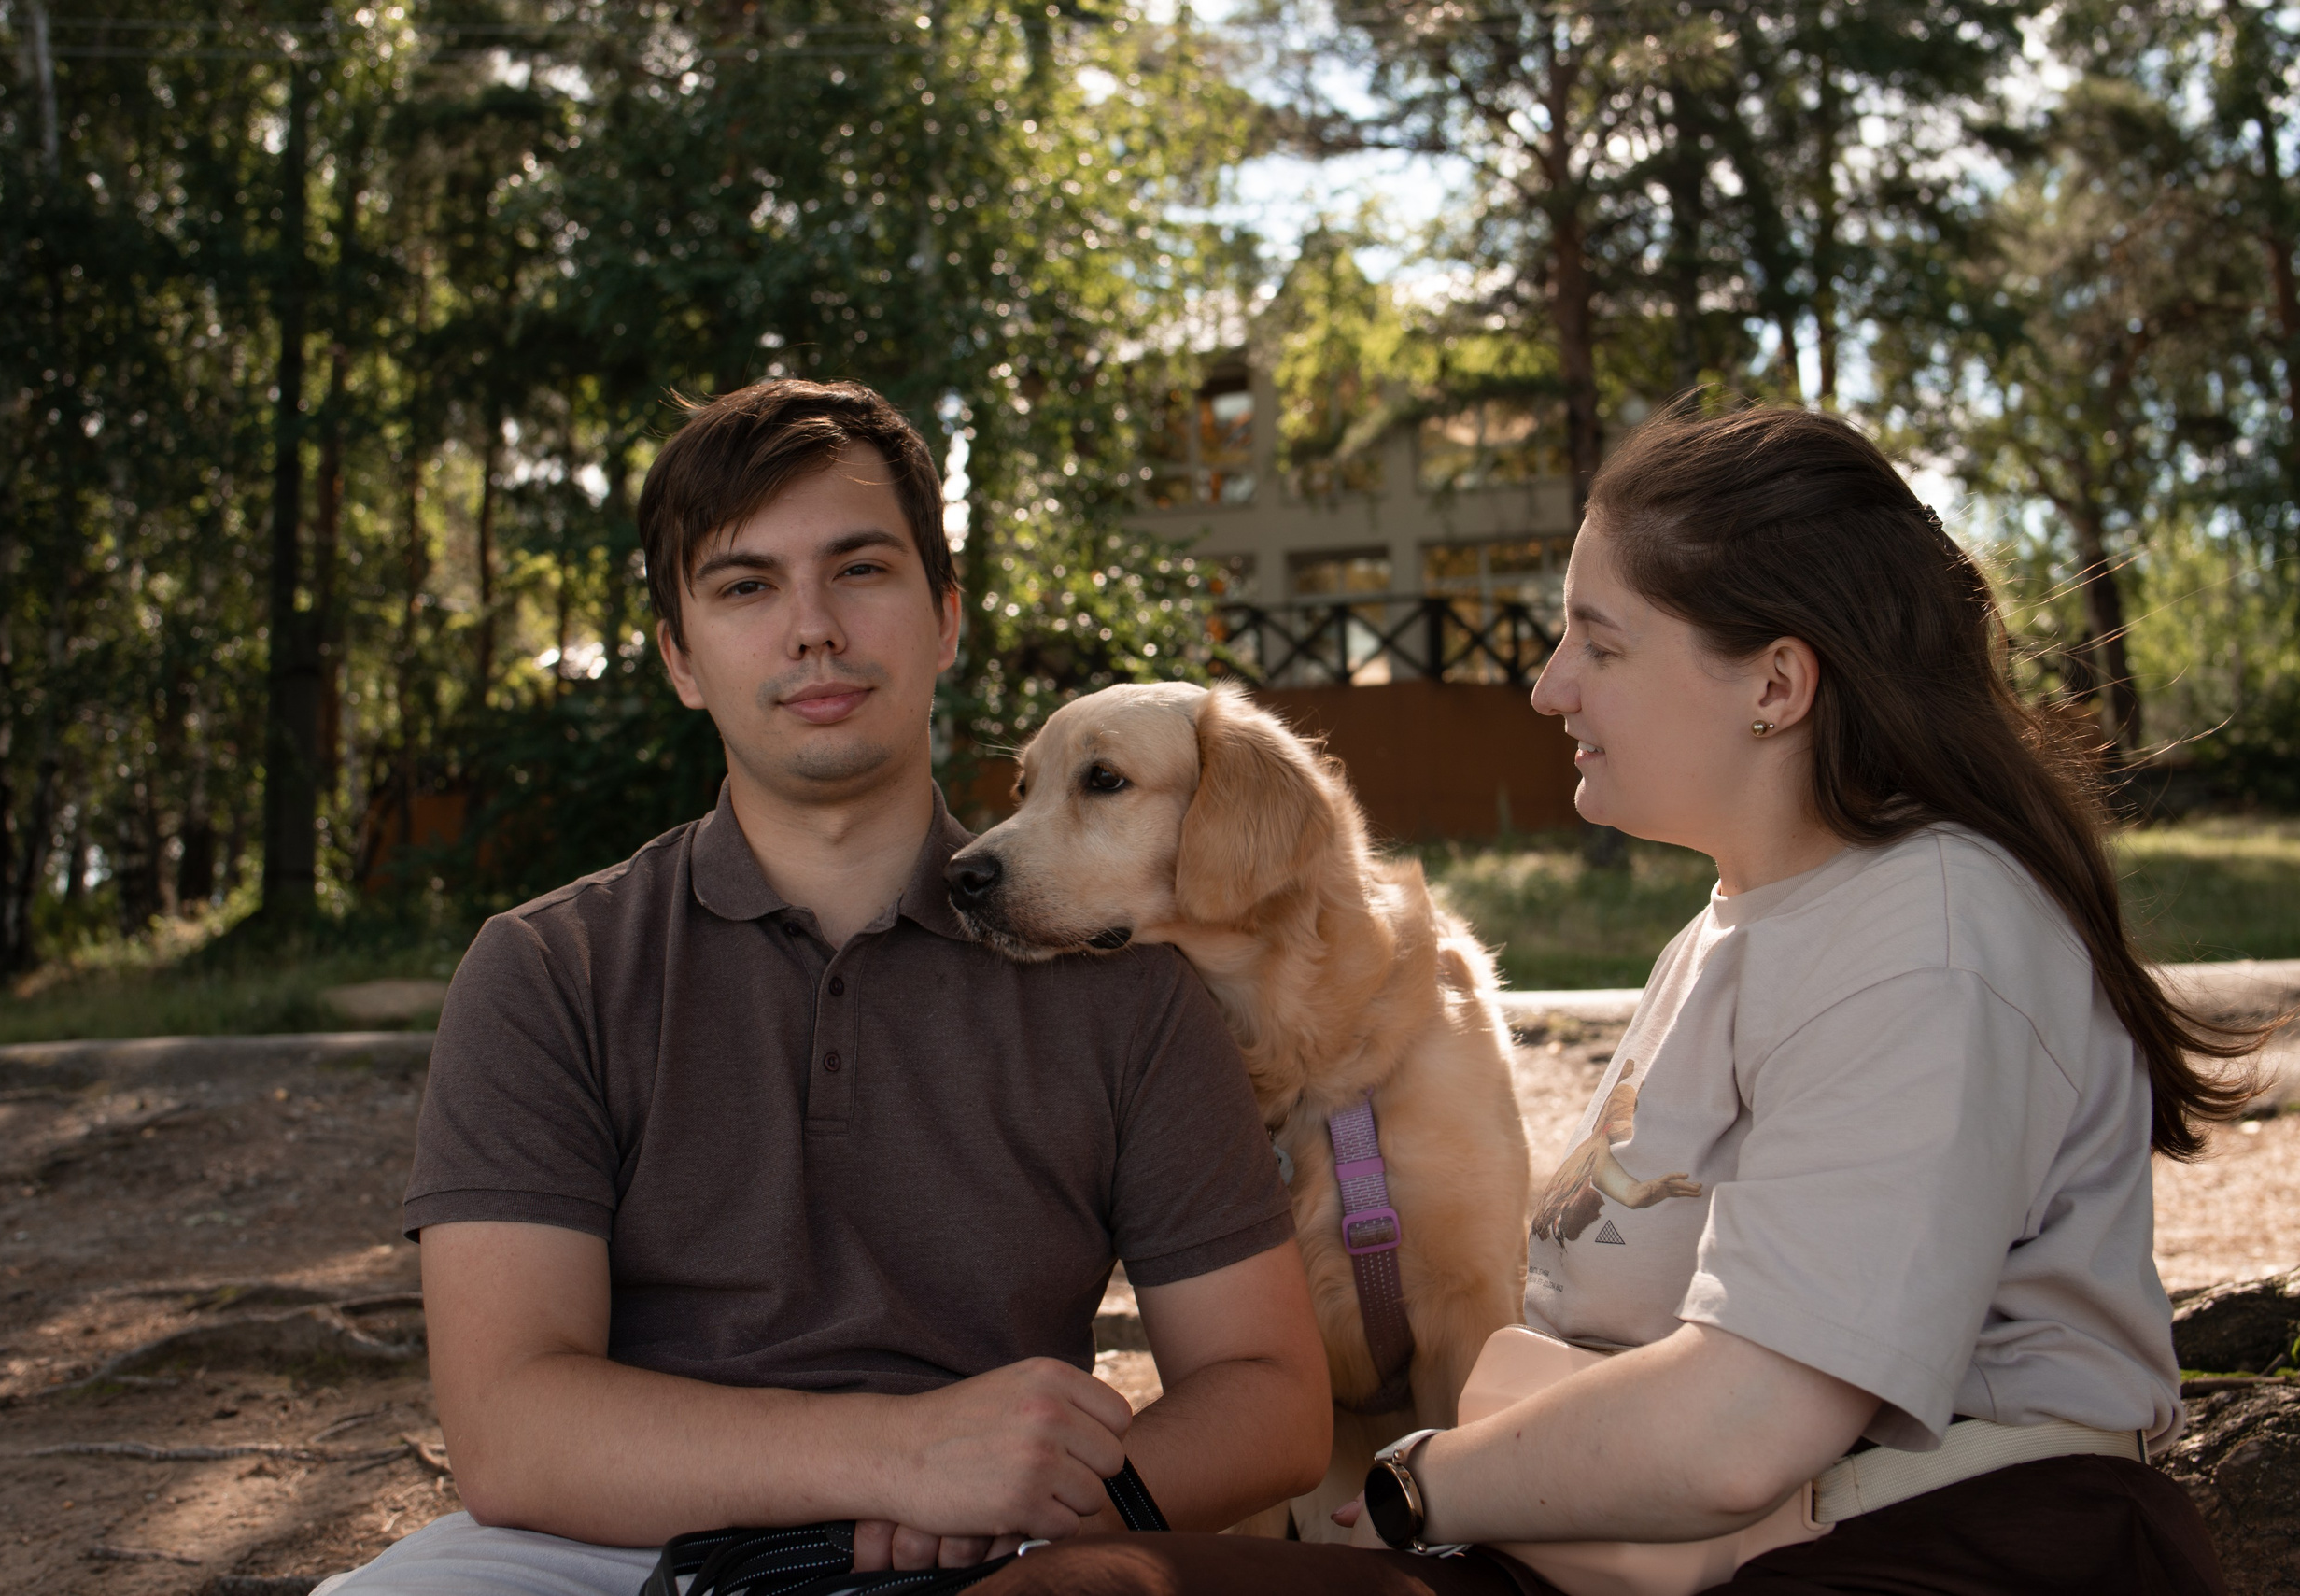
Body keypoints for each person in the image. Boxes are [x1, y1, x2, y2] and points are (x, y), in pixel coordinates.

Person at [977, 404, 2255, 1596]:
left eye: (1599, 641)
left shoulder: (1927, 935)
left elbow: (1738, 1435)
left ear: (1775, 684)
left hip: (1934, 1555)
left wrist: (1413, 1484)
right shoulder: (1736, 928)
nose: (1547, 686)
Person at [310, 379, 1331, 1596]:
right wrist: (901, 1459)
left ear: (946, 616)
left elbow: (1269, 1395)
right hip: (600, 1552)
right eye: (746, 586)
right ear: (681, 658)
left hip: (1013, 1551)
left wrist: (1037, 1512)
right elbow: (511, 1430)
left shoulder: (1125, 984)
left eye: (860, 569)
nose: (813, 629)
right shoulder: (546, 970)